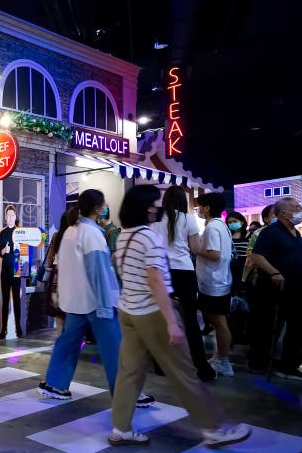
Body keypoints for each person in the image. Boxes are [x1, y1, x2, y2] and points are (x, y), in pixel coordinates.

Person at [108, 185, 250, 448]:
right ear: (142, 207)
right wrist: (172, 321)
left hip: (128, 311)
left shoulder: (125, 236)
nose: (155, 208)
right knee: (183, 372)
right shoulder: (148, 237)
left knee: (129, 372)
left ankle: (121, 428)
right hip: (153, 313)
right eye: (151, 204)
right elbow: (156, 281)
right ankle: (213, 428)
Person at [37, 190, 154, 408]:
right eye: (104, 204)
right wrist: (105, 304)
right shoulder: (92, 234)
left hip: (75, 302)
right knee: (115, 348)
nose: (106, 207)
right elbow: (99, 272)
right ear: (98, 208)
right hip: (96, 302)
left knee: (68, 343)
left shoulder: (71, 230)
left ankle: (55, 384)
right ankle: (127, 393)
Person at [150, 185, 217, 382]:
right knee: (190, 320)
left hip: (161, 271)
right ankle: (201, 367)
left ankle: (160, 365)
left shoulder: (155, 219)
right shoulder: (189, 219)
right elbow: (195, 249)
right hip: (184, 272)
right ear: (183, 201)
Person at [247, 197, 302, 379]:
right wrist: (274, 273)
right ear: (283, 212)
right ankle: (259, 363)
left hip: (294, 288)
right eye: (296, 207)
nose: (299, 209)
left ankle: (288, 366)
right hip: (273, 288)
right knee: (268, 326)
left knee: (295, 327)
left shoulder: (295, 232)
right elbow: (257, 255)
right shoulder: (271, 232)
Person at [195, 192, 236, 377]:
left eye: (200, 206)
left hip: (214, 282)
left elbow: (214, 254)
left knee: (219, 322)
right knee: (218, 321)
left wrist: (195, 249)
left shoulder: (212, 228)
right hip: (219, 280)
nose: (199, 209)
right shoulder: (220, 225)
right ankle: (220, 356)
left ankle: (224, 361)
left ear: (208, 208)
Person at [43, 209, 78, 334]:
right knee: (70, 309)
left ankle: (59, 336)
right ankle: (69, 337)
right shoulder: (75, 236)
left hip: (57, 274)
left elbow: (49, 258)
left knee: (58, 310)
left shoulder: (56, 236)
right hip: (70, 275)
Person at [0, 205, 23, 339]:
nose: (10, 217)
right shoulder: (3, 232)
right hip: (5, 270)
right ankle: (4, 329)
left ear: (15, 217)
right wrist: (3, 251)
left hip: (16, 269)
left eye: (13, 215)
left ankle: (18, 327)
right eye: (8, 215)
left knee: (17, 300)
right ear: (5, 217)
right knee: (5, 300)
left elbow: (25, 251)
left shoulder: (20, 232)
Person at [226, 211, 249, 295]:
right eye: (229, 222)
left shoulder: (250, 235)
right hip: (229, 267)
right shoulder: (227, 236)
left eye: (235, 221)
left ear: (242, 222)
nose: (232, 224)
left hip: (244, 267)